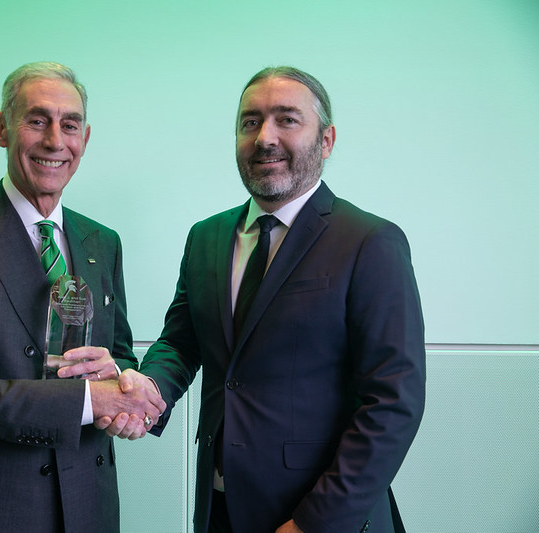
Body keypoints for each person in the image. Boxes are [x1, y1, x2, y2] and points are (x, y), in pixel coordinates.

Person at [100, 66, 426, 532]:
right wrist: (149, 391)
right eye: (250, 122)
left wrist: (313, 524)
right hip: (220, 510)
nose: (264, 137)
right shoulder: (206, 237)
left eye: (287, 120)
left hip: (321, 516)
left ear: (327, 140)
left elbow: (393, 403)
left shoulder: (370, 242)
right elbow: (181, 342)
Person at [0, 61, 164, 533]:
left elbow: (120, 354)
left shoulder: (103, 243)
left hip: (89, 504)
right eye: (37, 120)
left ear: (86, 137)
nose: (54, 141)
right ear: (2, 128)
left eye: (70, 125)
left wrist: (121, 380)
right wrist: (90, 400)